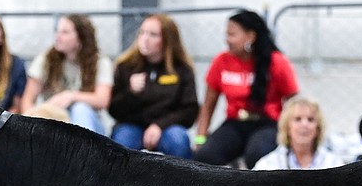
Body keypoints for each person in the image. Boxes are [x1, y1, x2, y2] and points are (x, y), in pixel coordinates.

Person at [195, 10, 299, 168]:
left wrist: (289, 134)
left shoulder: (276, 61)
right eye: (226, 34)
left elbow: (294, 101)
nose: (227, 40)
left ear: (250, 37)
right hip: (234, 123)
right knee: (205, 156)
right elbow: (208, 106)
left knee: (257, 154)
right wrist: (200, 139)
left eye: (232, 35)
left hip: (267, 123)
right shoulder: (221, 61)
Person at [108, 13, 199, 158]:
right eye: (142, 33)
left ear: (167, 40)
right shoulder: (125, 66)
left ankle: (186, 181)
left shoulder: (182, 69)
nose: (145, 39)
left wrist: (159, 125)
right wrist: (131, 92)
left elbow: (189, 110)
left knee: (178, 140)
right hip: (132, 125)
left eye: (153, 35)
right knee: (121, 143)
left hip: (167, 127)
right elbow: (114, 109)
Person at [20, 13, 112, 134]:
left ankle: (83, 151)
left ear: (81, 37)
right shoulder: (46, 59)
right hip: (55, 120)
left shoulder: (100, 61)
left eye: (65, 32)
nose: (58, 37)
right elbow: (28, 99)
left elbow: (102, 100)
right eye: (57, 31)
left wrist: (70, 96)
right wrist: (29, 123)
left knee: (80, 109)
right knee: (45, 115)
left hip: (91, 125)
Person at [251, 95, 343, 170]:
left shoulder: (334, 164)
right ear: (287, 127)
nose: (304, 124)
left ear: (318, 128)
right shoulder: (267, 165)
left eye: (310, 120)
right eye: (297, 119)